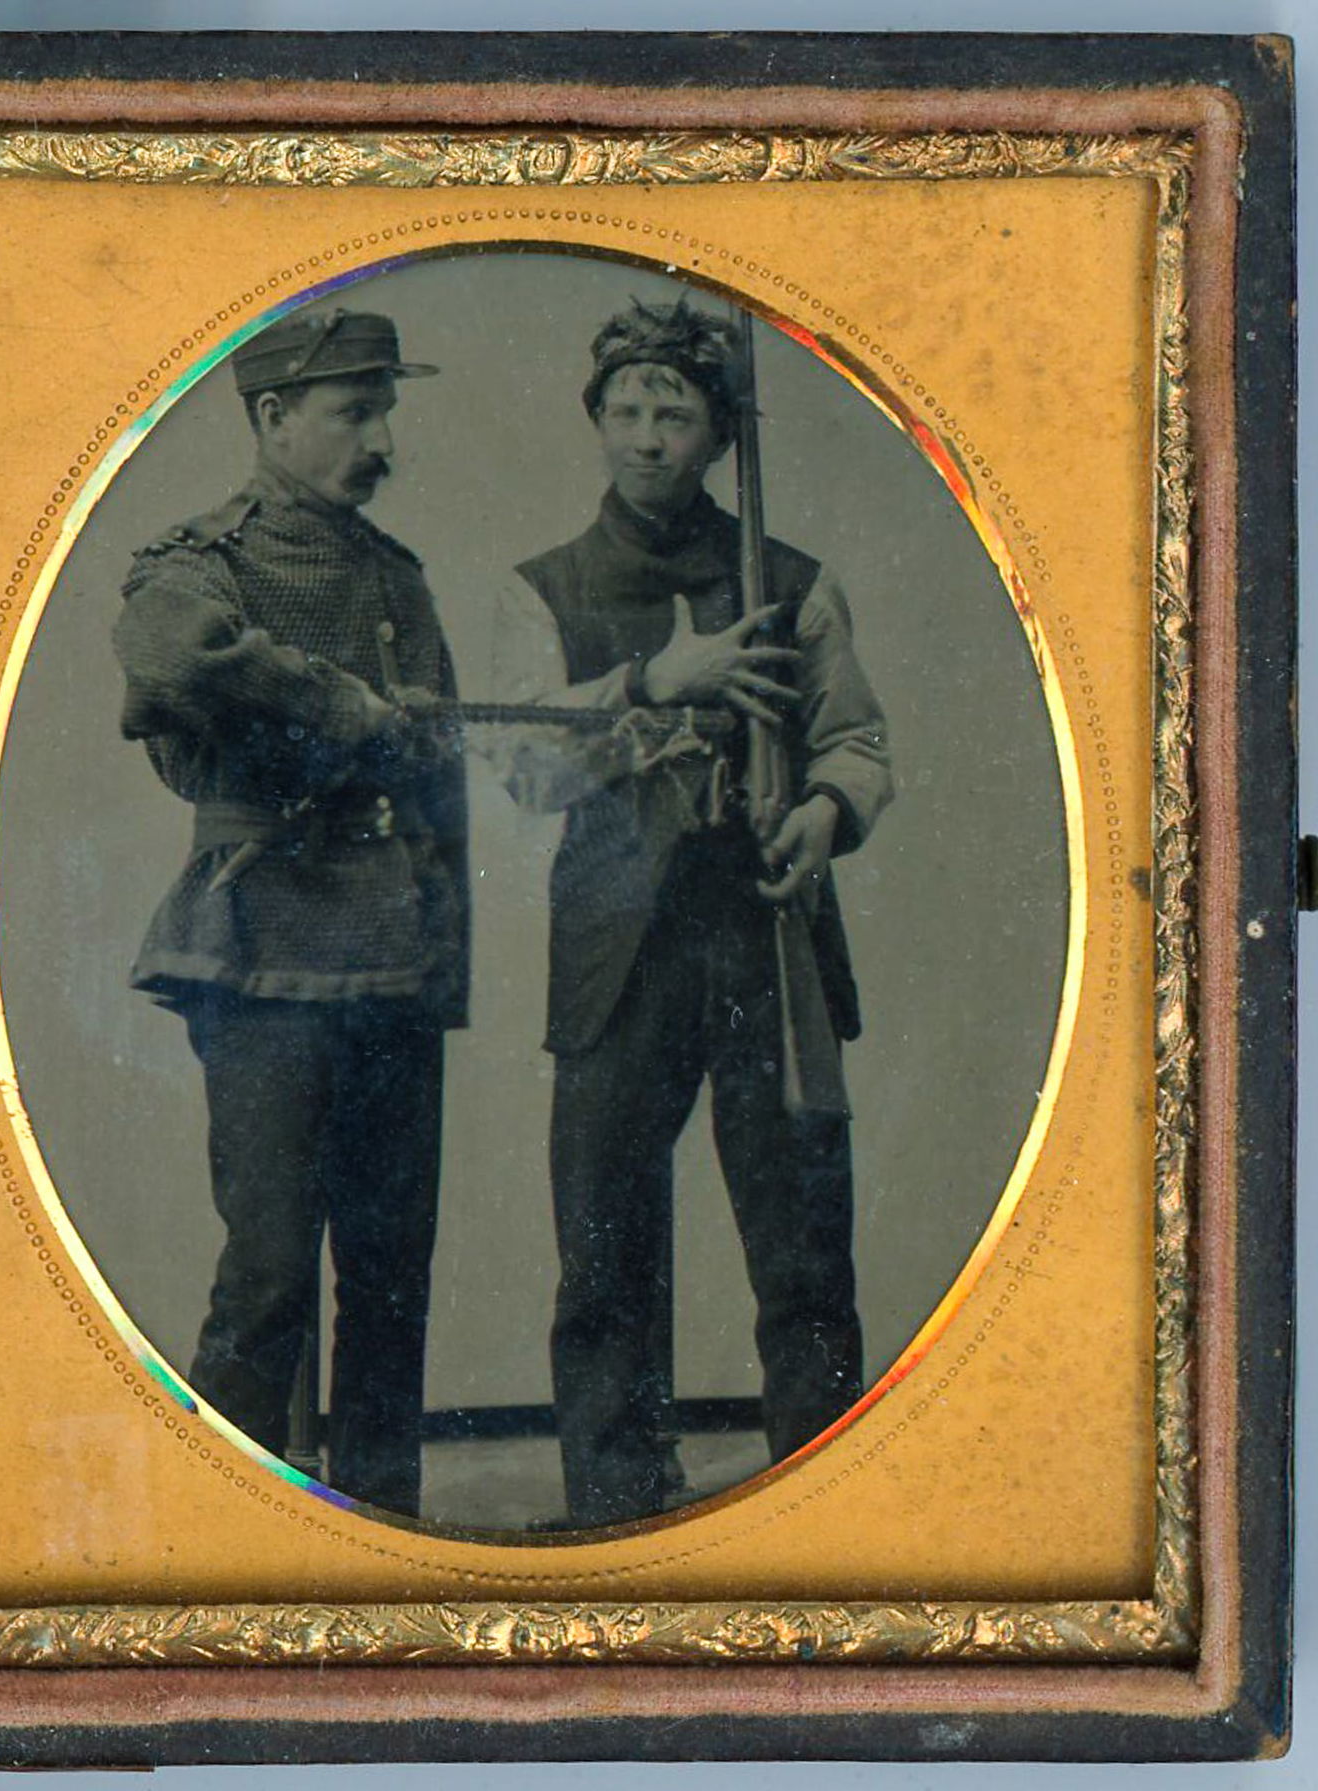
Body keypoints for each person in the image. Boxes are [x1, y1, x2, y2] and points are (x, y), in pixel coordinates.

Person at [494, 297, 893, 1528]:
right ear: (597, 422)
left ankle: (818, 1503)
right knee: (603, 1248)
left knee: (802, 1244)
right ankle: (615, 1506)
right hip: (617, 954)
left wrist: (821, 814)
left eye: (673, 414)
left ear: (721, 435)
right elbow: (526, 769)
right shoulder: (542, 588)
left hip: (767, 937)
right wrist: (658, 681)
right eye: (625, 411)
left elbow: (857, 742)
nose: (646, 437)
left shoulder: (793, 584)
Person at [112, 308, 468, 1517]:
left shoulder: (397, 576)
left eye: (386, 412)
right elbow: (168, 658)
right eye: (355, 412)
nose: (383, 443)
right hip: (262, 952)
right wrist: (344, 707)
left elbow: (441, 793)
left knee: (391, 1277)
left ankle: (386, 1535)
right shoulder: (197, 565)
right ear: (271, 416)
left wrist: (442, 962)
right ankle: (226, 1536)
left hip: (392, 960)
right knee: (267, 1275)